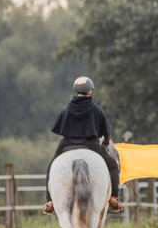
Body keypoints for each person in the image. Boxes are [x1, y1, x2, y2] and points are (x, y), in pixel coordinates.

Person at [43, 77, 122, 214]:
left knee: (51, 167)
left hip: (67, 142)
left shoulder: (67, 108)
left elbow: (59, 128)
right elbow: (106, 132)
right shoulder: (96, 109)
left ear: (75, 90)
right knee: (113, 166)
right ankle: (114, 198)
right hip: (90, 143)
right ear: (90, 91)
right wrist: (106, 143)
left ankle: (50, 201)